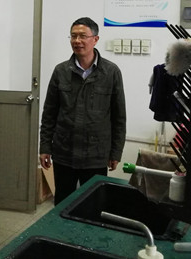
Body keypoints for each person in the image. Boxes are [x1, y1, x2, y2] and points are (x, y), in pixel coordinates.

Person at [39, 17, 126, 205]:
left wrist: (115, 152)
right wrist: (45, 146)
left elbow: (119, 117)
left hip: (95, 154)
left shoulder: (111, 72)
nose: (77, 41)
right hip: (64, 152)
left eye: (82, 36)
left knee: (94, 204)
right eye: (73, 36)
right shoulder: (61, 71)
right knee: (63, 203)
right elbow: (49, 113)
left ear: (95, 39)